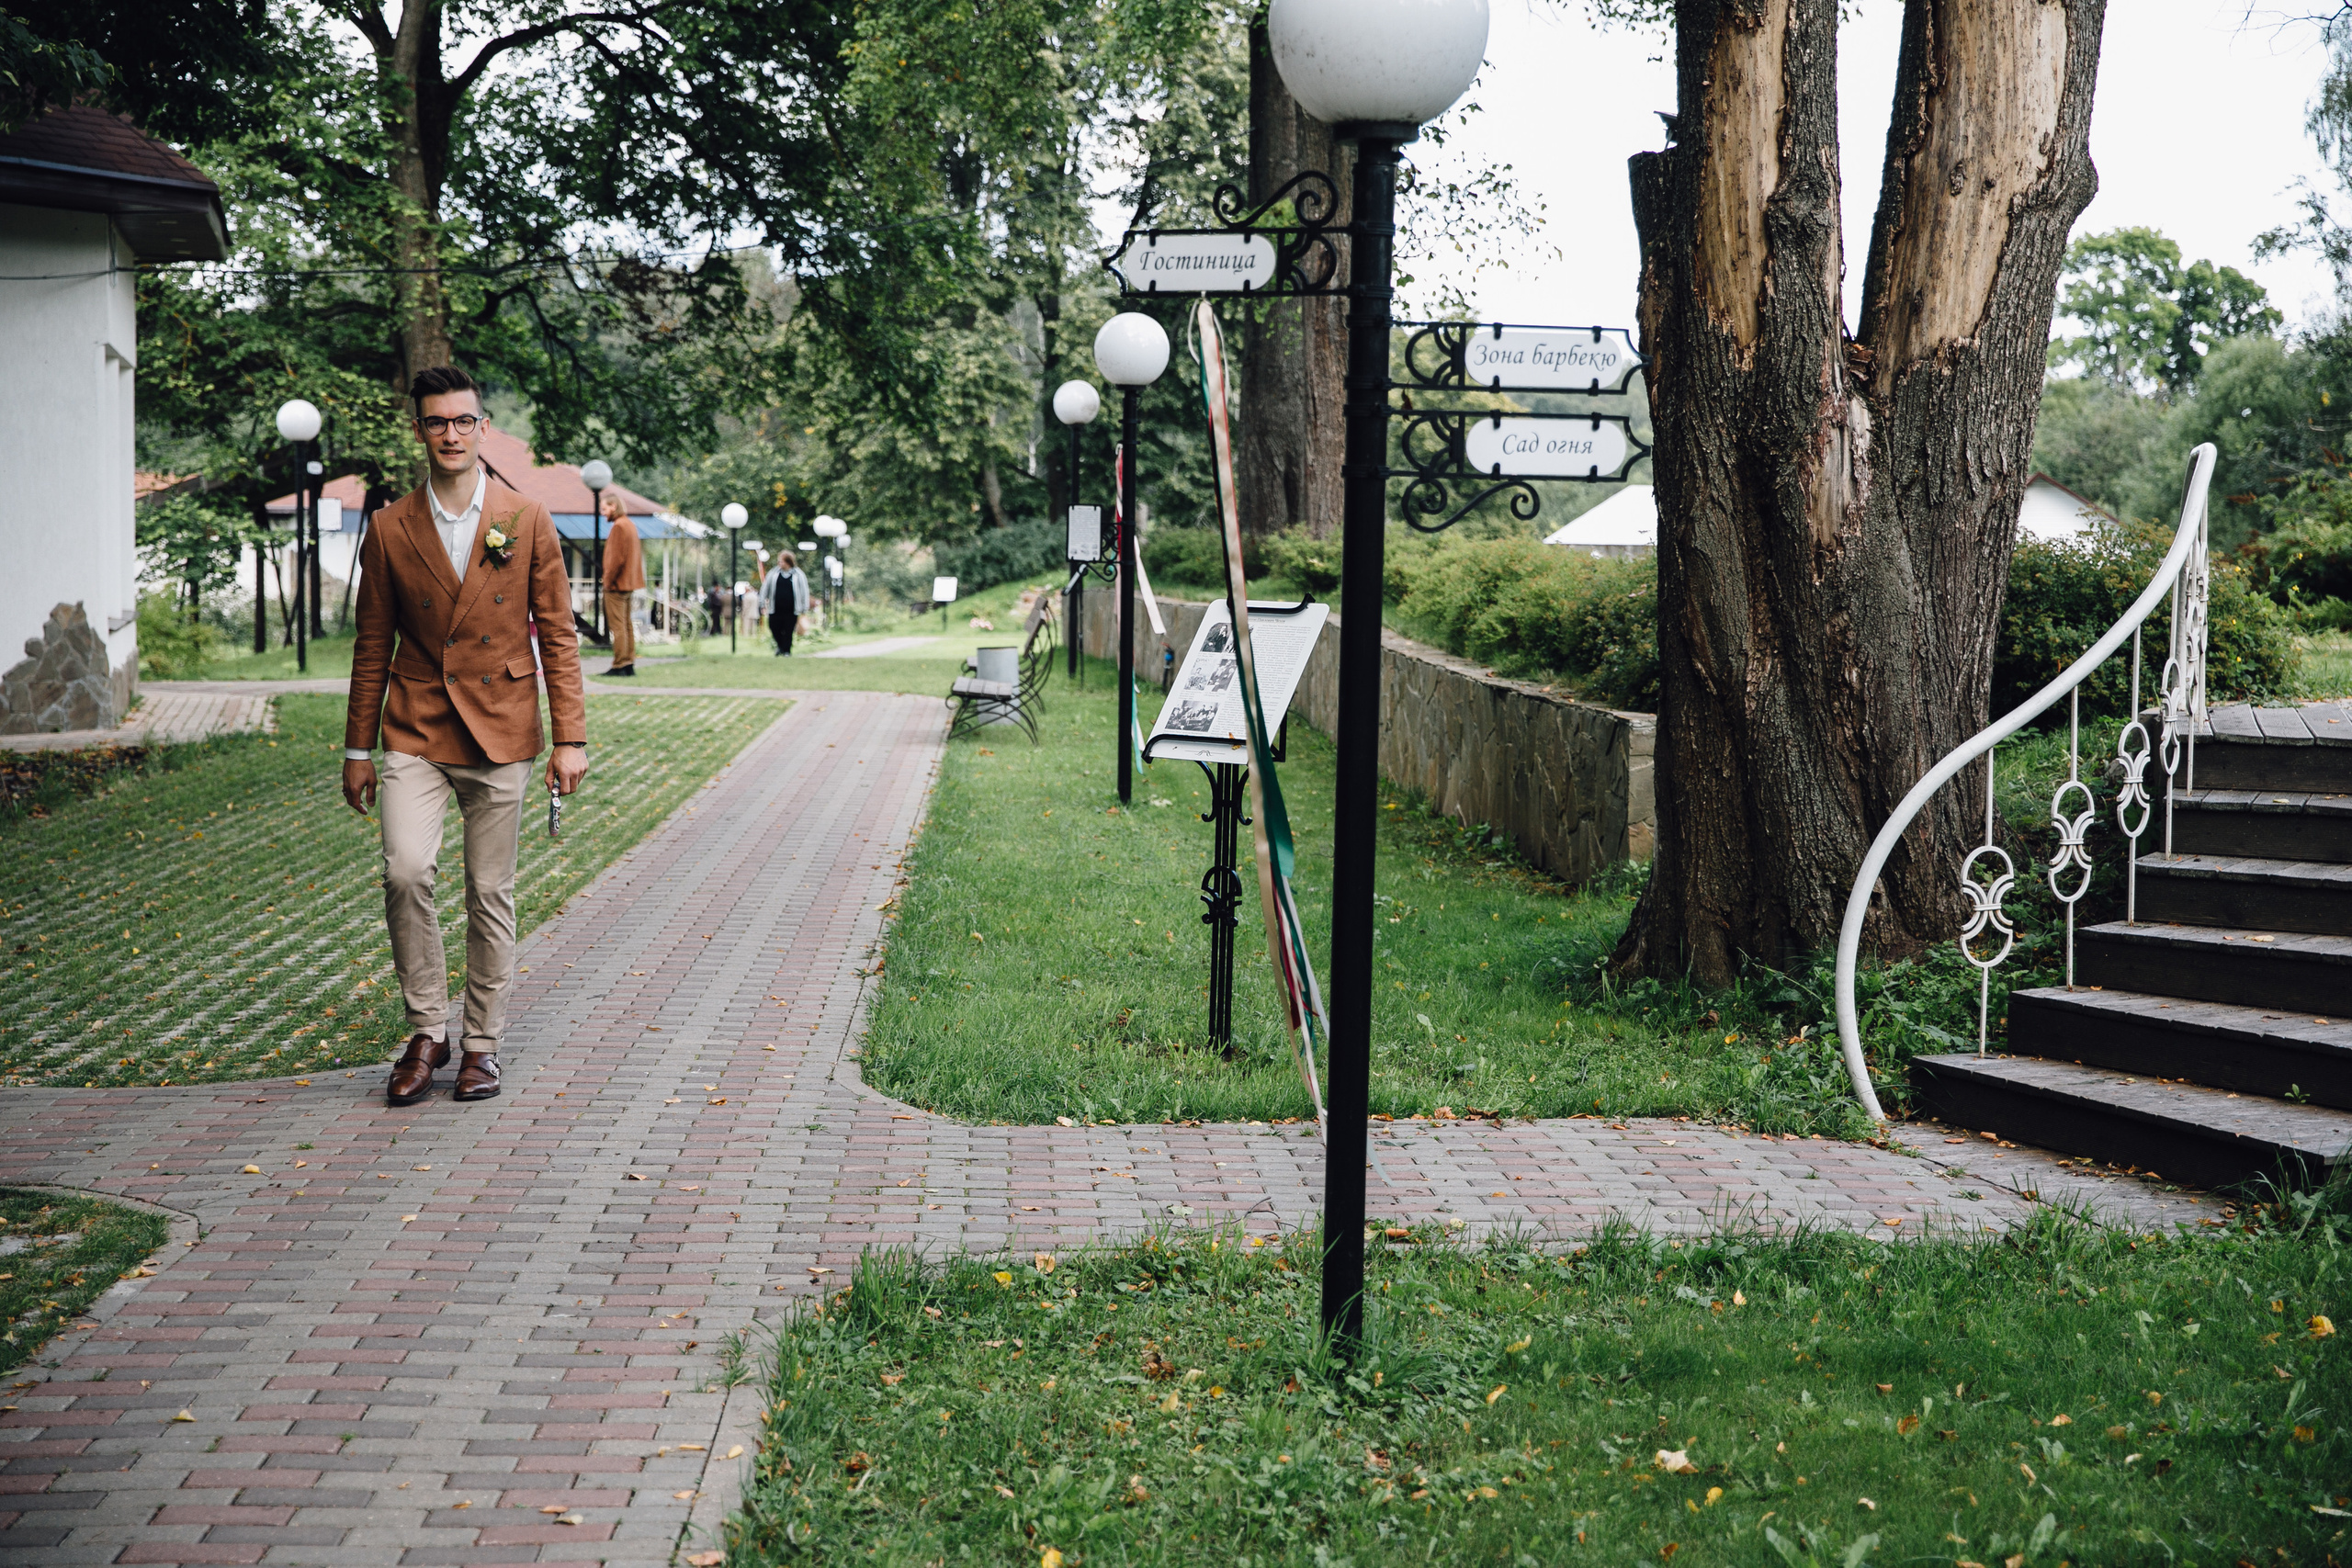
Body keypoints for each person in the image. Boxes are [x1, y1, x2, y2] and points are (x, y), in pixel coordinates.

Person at [341, 364, 588, 1107]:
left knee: (489, 891)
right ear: (418, 429)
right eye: (436, 421)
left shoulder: (529, 518)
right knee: (406, 870)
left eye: (463, 421)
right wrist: (358, 749)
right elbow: (370, 642)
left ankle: (480, 1042)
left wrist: (570, 738)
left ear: (483, 429)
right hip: (414, 724)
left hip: (502, 727)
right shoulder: (388, 526)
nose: (451, 433)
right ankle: (427, 1029)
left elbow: (560, 635)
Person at [600, 492, 644, 676]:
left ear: (614, 506)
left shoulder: (619, 527)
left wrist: (607, 582)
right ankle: (628, 663)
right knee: (626, 625)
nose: (603, 513)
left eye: (604, 509)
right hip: (629, 583)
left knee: (618, 627)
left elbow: (616, 560)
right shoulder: (630, 525)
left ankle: (619, 664)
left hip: (617, 585)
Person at [760, 549, 809, 655]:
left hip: (792, 609)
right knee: (774, 627)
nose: (779, 564)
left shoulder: (798, 575)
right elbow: (765, 588)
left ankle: (786, 650)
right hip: (775, 608)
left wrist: (805, 607)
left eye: (781, 561)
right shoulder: (774, 573)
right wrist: (762, 603)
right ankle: (780, 646)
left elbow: (804, 591)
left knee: (788, 630)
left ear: (788, 562)